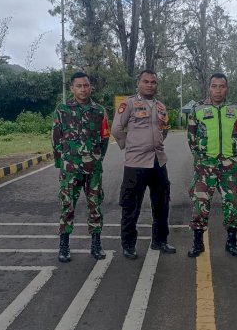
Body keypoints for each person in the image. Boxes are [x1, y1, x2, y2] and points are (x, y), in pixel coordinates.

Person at [112, 70, 176, 259]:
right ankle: (129, 245)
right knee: (131, 206)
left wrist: (157, 142)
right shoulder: (129, 103)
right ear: (138, 83)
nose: (150, 85)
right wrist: (129, 145)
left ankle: (160, 240)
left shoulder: (161, 106)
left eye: (153, 82)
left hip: (158, 162)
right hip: (135, 164)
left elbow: (164, 130)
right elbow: (116, 128)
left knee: (162, 204)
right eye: (146, 81)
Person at [51, 71, 110, 263]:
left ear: (90, 87)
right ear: (72, 88)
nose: (83, 89)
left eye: (86, 85)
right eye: (79, 86)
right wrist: (64, 161)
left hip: (93, 169)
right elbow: (56, 137)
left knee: (95, 206)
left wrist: (97, 158)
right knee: (67, 206)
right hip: (70, 169)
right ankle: (64, 245)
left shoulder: (99, 110)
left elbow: (105, 138)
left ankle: (96, 244)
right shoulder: (62, 109)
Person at [187, 73, 237, 258]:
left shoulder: (234, 109)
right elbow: (191, 137)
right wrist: (201, 157)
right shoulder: (197, 109)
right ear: (209, 88)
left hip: (229, 166)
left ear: (226, 88)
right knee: (200, 204)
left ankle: (232, 242)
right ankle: (198, 243)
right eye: (215, 86)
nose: (218, 90)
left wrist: (231, 153)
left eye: (222, 86)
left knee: (233, 203)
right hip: (205, 166)